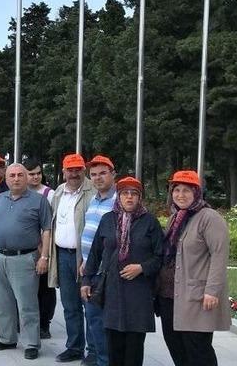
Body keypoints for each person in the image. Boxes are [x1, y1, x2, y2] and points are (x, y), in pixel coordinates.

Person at [81, 176, 163, 366]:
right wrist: (86, 280)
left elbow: (161, 256)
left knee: (134, 347)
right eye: (125, 193)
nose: (129, 197)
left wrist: (141, 268)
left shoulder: (150, 222)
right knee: (114, 344)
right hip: (113, 290)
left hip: (138, 291)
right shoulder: (108, 219)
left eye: (134, 194)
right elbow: (95, 253)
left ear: (140, 197)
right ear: (118, 197)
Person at [156, 170, 230, 366]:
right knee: (176, 347)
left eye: (186, 190)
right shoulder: (175, 217)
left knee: (198, 350)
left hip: (195, 297)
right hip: (169, 295)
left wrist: (212, 290)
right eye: (176, 190)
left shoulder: (209, 218)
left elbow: (219, 255)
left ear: (197, 192)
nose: (180, 195)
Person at [0, 163, 52, 361]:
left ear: (26, 178)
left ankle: (31, 343)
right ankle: (7, 338)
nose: (16, 179)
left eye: (20, 175)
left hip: (24, 259)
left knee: (27, 304)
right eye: (12, 175)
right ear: (6, 179)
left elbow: (47, 230)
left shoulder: (39, 201)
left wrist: (44, 257)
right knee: (2, 302)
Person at [46, 153, 96, 362]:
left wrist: (89, 259)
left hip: (85, 257)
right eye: (70, 170)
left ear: (84, 170)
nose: (74, 174)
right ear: (64, 171)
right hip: (62, 255)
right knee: (70, 305)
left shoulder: (93, 191)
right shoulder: (59, 192)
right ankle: (74, 347)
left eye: (78, 169)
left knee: (90, 306)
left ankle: (93, 352)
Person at [79, 155, 118, 366]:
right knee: (92, 317)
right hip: (90, 267)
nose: (97, 178)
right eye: (93, 174)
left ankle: (105, 359)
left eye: (103, 173)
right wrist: (84, 262)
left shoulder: (119, 200)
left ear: (113, 174)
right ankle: (96, 355)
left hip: (105, 271)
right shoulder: (94, 199)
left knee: (103, 320)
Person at [23, 157, 57, 339]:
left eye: (38, 173)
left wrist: (45, 251)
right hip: (25, 248)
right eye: (31, 174)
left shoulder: (49, 194)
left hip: (43, 248)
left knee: (45, 288)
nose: (35, 177)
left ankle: (45, 324)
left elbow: (50, 225)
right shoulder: (21, 192)